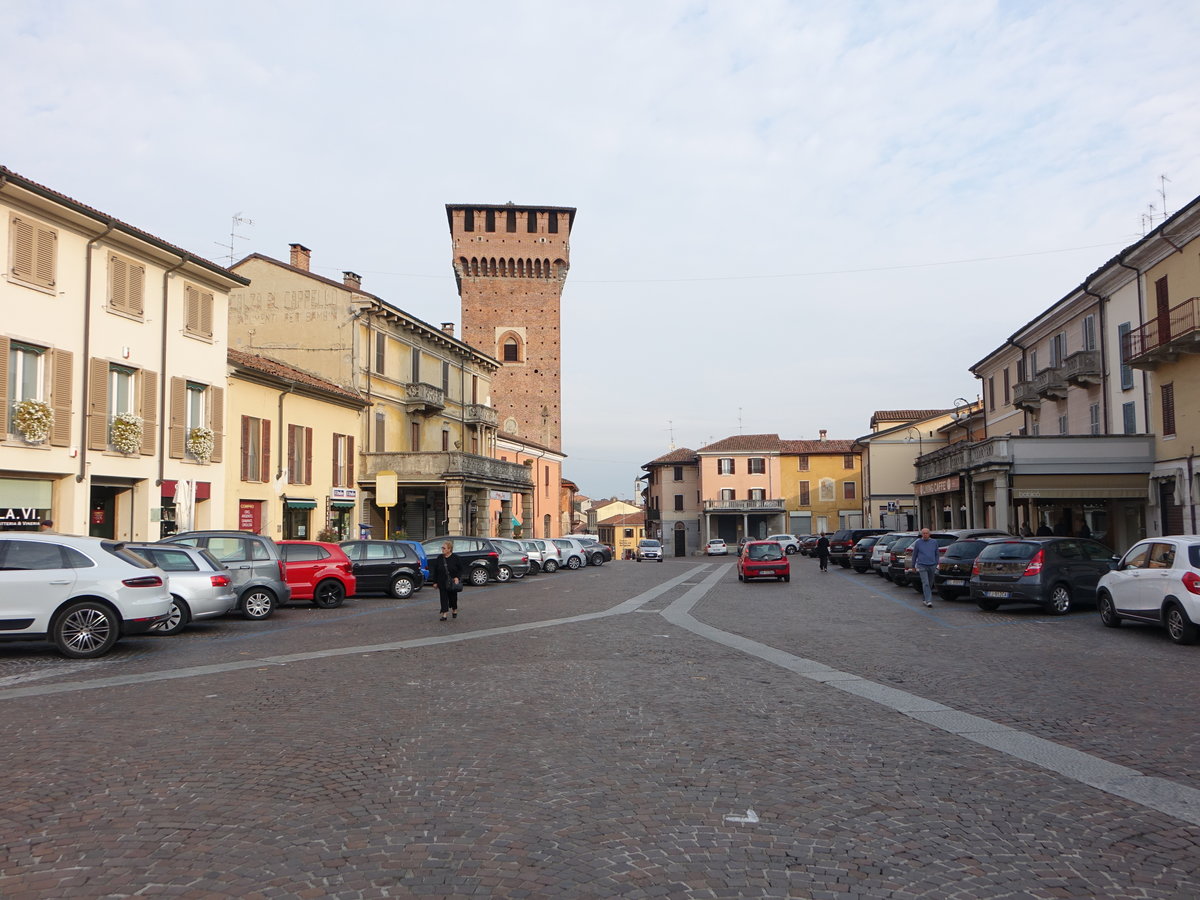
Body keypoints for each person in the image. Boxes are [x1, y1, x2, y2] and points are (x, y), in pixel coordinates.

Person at [429, 540, 464, 621]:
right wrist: (435, 582)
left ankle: (454, 609)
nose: (442, 549)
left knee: (453, 597)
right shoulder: (439, 558)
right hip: (442, 581)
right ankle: (444, 614)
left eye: (444, 548)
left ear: (449, 549)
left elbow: (461, 569)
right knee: (443, 597)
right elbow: (436, 570)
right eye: (442, 548)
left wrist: (457, 577)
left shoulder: (456, 558)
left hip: (452, 581)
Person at [911, 527, 940, 608]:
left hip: (932, 565)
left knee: (930, 583)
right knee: (926, 583)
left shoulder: (934, 542)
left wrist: (937, 563)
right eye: (923, 533)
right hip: (922, 565)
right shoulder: (918, 543)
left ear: (929, 534)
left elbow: (937, 554)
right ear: (921, 534)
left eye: (926, 533)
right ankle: (929, 600)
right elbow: (914, 555)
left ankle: (925, 598)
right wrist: (913, 566)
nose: (925, 535)